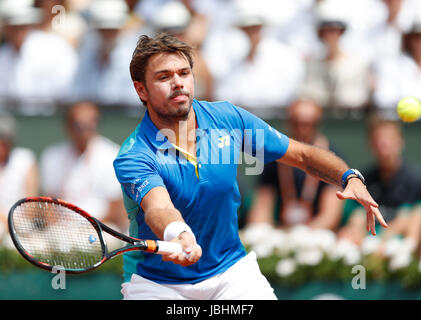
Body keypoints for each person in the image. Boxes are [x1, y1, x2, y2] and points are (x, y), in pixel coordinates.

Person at [113, 33, 387, 300]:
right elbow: (159, 207)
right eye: (164, 77)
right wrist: (180, 233)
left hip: (230, 271)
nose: (178, 83)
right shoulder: (134, 154)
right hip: (157, 283)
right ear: (141, 89)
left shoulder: (228, 119)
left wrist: (349, 176)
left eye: (184, 73)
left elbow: (301, 155)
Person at [246, 99, 343, 230]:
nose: (302, 129)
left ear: (318, 124)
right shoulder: (274, 155)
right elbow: (262, 206)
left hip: (318, 235)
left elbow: (330, 215)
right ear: (288, 123)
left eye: (309, 124)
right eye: (296, 122)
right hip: (281, 231)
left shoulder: (331, 158)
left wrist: (300, 237)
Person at [40, 101, 127, 233]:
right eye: (78, 125)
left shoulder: (112, 155)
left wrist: (86, 230)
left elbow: (115, 207)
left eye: (88, 125)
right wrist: (59, 230)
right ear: (68, 126)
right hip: (61, 230)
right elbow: (49, 203)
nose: (83, 131)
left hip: (101, 228)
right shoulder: (52, 156)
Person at [337, 118, 421, 246]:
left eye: (390, 140)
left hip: (402, 248)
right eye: (379, 140)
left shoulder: (416, 180)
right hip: (369, 245)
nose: (384, 145)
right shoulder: (364, 180)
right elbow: (356, 218)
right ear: (371, 144)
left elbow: (411, 220)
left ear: (401, 142)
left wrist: (384, 239)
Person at [0, 115, 39, 247]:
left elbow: (31, 209)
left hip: (21, 227)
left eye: (5, 140)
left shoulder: (25, 159)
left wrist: (10, 223)